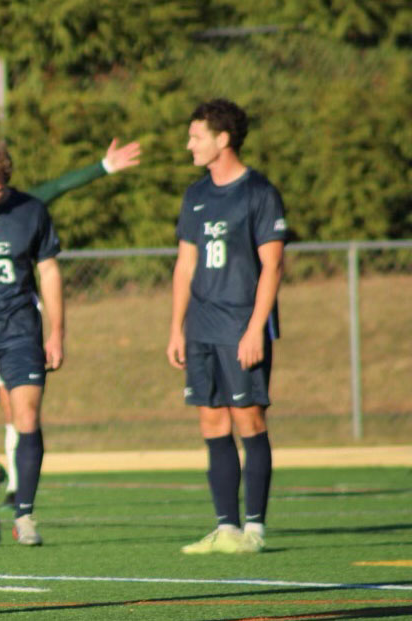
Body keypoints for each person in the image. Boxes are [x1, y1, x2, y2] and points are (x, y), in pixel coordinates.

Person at [0, 139, 141, 548]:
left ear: (8, 183)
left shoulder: (31, 210)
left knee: (27, 418)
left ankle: (25, 513)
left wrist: (57, 332)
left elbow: (50, 274)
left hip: (21, 332)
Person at [167, 99, 287, 555]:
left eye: (196, 136)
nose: (189, 144)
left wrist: (257, 327)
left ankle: (254, 528)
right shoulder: (195, 195)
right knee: (212, 421)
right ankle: (227, 527)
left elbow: (273, 266)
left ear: (223, 139)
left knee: (250, 420)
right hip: (200, 327)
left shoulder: (259, 191)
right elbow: (185, 265)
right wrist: (177, 327)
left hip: (241, 325)